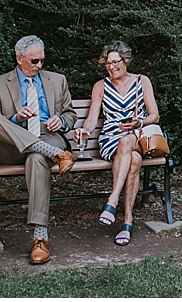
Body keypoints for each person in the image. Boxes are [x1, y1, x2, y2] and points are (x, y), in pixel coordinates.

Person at [0, 35, 77, 264]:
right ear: (19, 58)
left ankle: (40, 237)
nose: (39, 66)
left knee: (36, 158)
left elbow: (70, 114)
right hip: (12, 145)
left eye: (42, 61)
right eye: (34, 61)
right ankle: (57, 155)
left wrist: (61, 122)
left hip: (47, 136)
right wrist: (16, 118)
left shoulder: (57, 80)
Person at [74, 40, 160, 246]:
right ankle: (127, 221)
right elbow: (93, 118)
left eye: (115, 62)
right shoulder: (100, 86)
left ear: (126, 60)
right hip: (110, 139)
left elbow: (155, 115)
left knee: (128, 140)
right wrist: (85, 130)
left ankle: (112, 201)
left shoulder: (142, 81)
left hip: (138, 135)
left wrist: (139, 121)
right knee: (134, 161)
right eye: (107, 64)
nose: (111, 67)